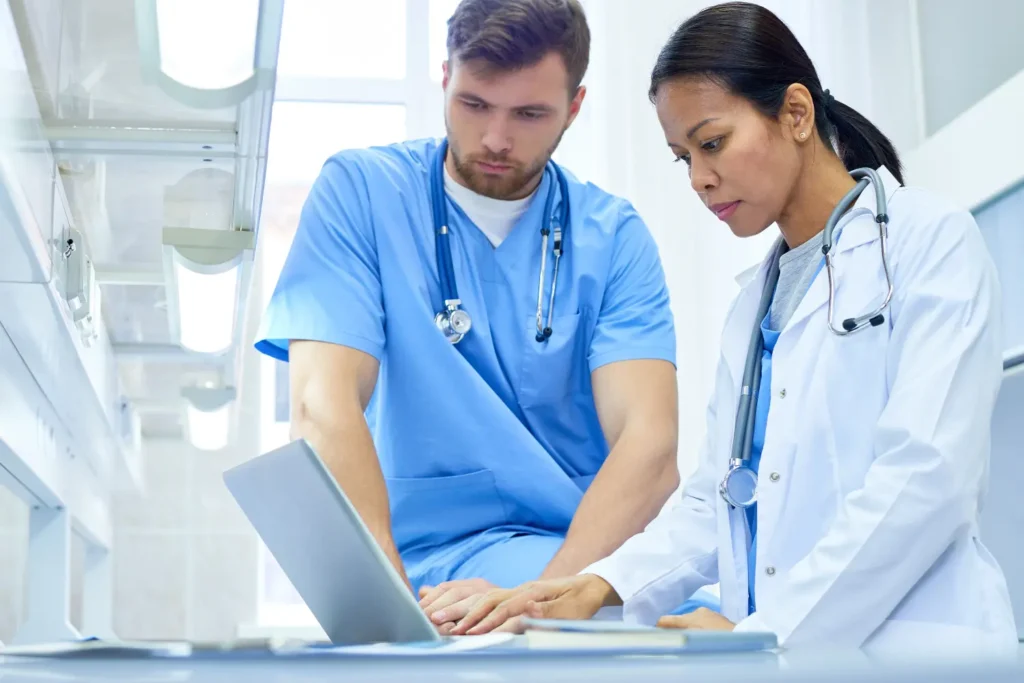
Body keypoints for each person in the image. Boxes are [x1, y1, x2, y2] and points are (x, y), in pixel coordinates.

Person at [444, 1, 1018, 655]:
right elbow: (714, 498)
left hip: (917, 649)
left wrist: (771, 632)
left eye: (711, 143)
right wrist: (601, 583)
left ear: (795, 113)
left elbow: (926, 477)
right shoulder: (754, 306)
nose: (699, 178)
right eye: (680, 156)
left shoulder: (930, 243)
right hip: (792, 653)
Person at [254, 0, 718, 635]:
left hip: (575, 558)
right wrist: (392, 613)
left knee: (721, 628)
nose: (497, 138)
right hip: (418, 566)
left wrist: (539, 601)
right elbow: (320, 402)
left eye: (529, 114)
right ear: (445, 78)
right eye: (474, 105)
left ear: (574, 108)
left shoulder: (613, 237)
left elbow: (650, 446)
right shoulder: (362, 193)